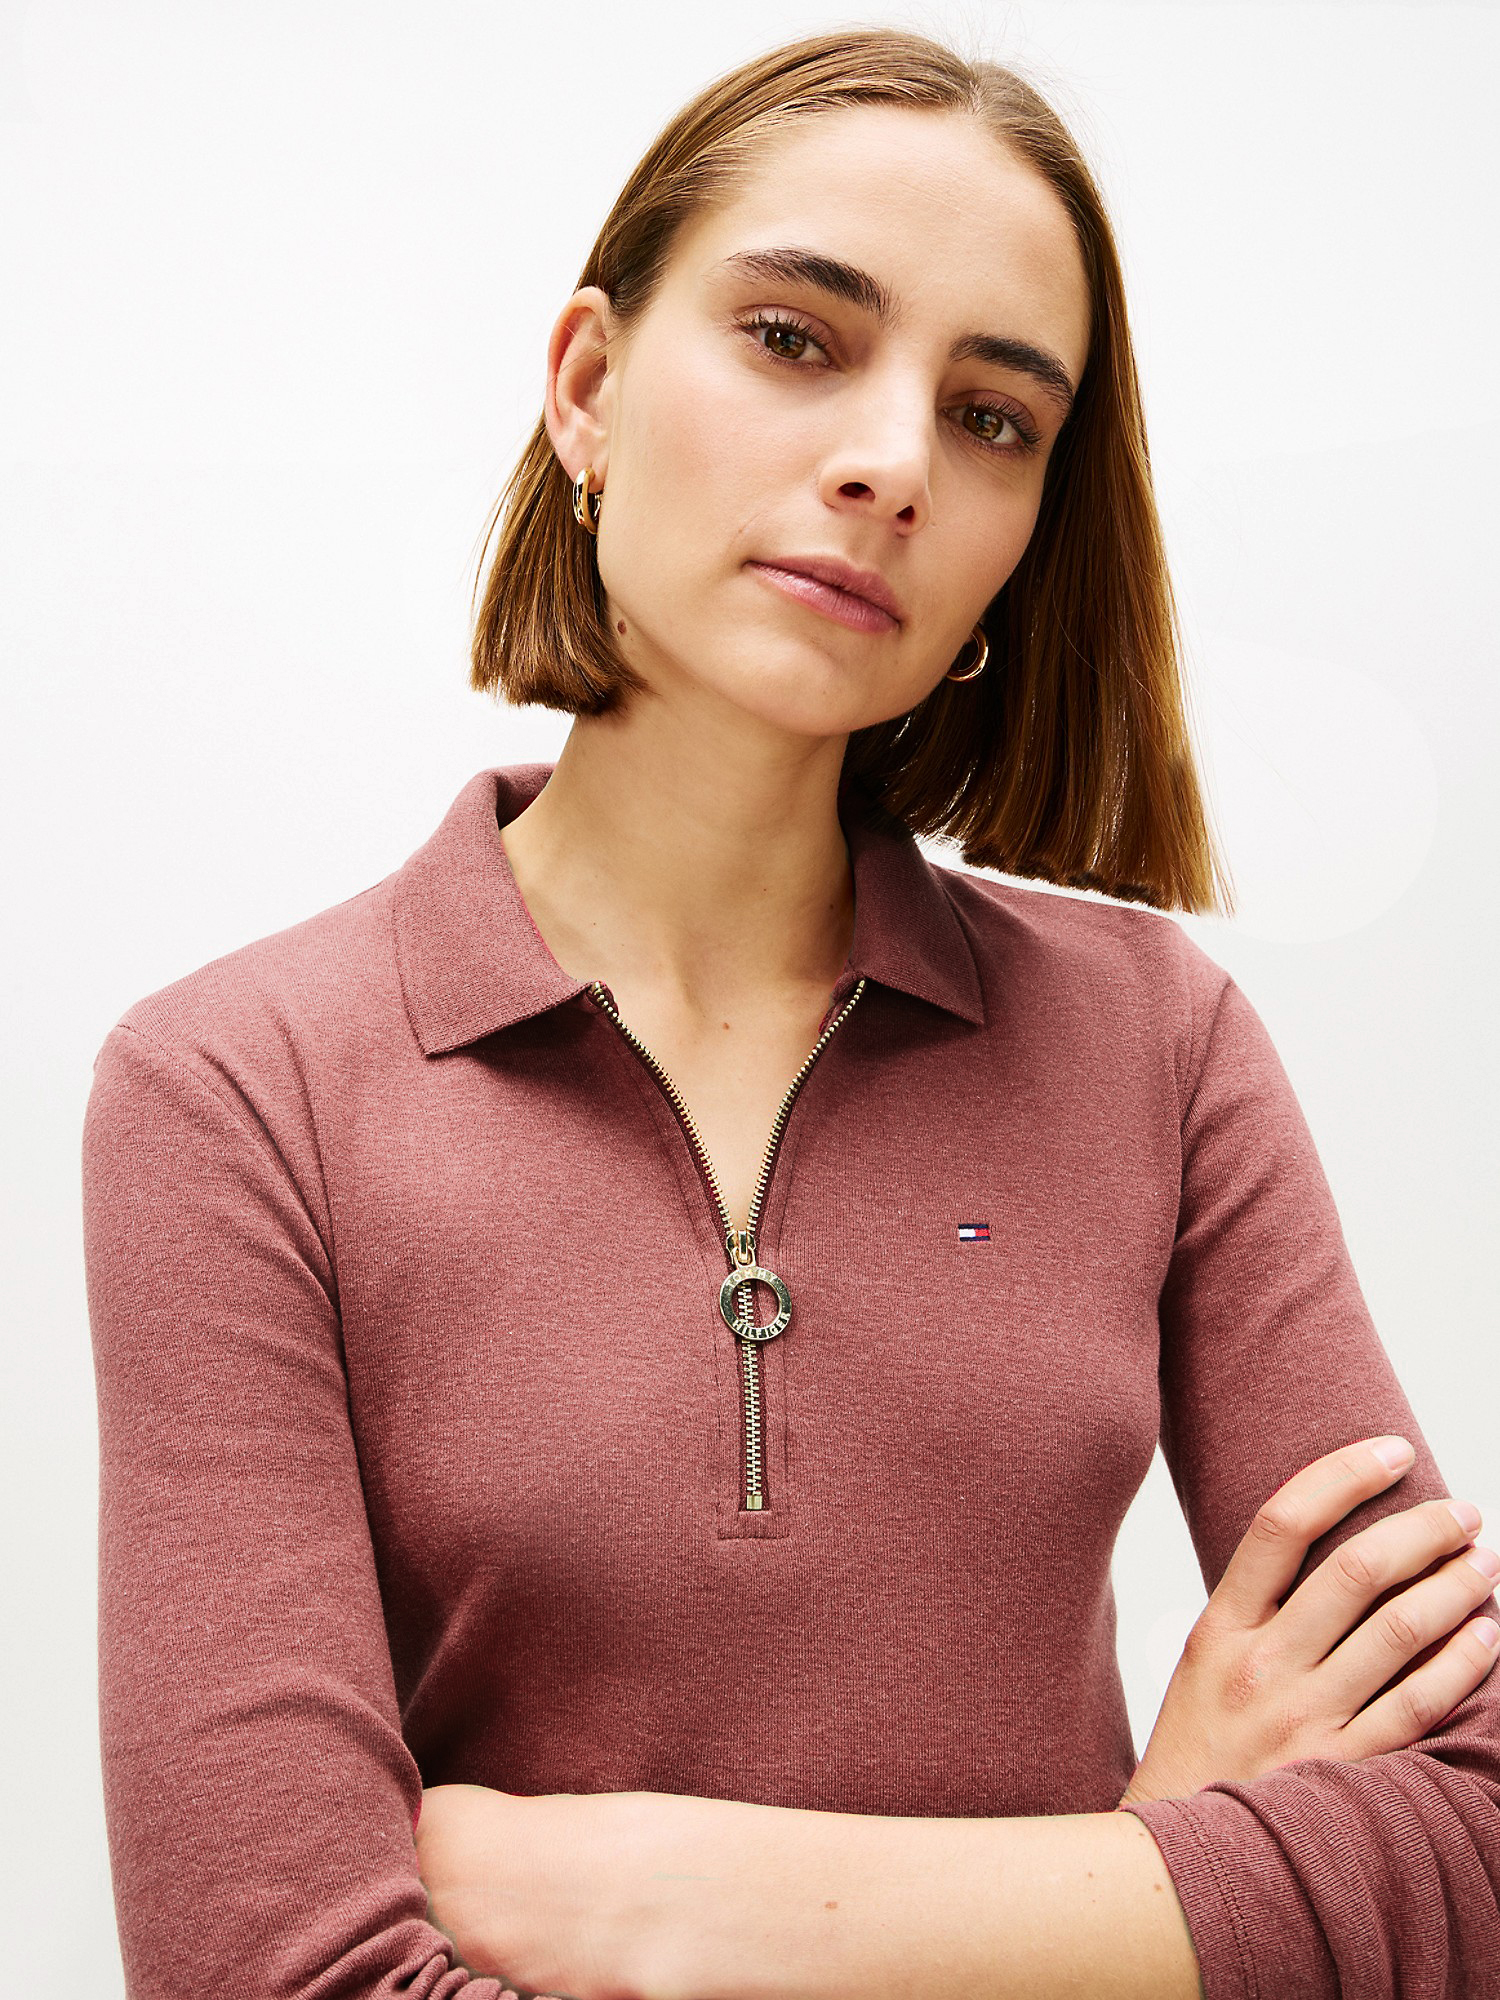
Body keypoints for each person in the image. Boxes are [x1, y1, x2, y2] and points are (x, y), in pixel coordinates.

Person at [80, 28, 1500, 2000]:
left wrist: (643, 1900)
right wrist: (1142, 1887)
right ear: (588, 387)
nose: (893, 462)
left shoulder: (1160, 1048)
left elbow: (1474, 1842)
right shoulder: (238, 1091)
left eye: (994, 417)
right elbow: (277, 1972)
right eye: (794, 338)